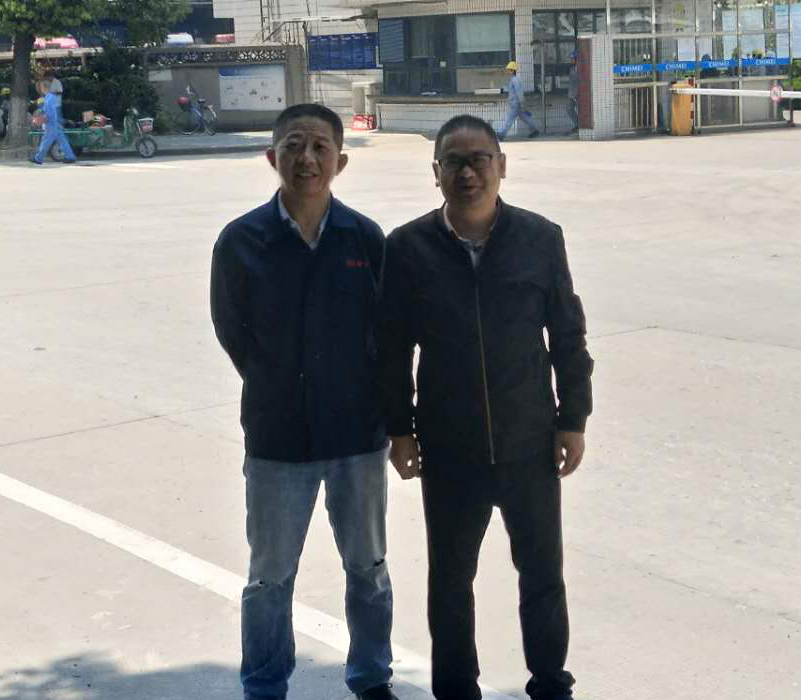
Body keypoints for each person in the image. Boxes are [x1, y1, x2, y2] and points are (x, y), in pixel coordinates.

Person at [378, 114, 594, 700]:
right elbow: (392, 348)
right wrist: (400, 428)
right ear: (436, 172)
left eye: (479, 159)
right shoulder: (407, 248)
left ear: (502, 165)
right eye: (454, 161)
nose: (468, 172)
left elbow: (567, 335)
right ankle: (455, 689)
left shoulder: (539, 238)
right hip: (450, 449)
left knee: (542, 577)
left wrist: (573, 418)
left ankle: (550, 684)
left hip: (530, 443)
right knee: (451, 582)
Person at [210, 103, 399, 700]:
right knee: (269, 577)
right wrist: (278, 385)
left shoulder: (365, 239)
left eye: (320, 147)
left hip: (356, 438)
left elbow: (387, 335)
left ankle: (371, 677)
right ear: (273, 157)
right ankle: (265, 685)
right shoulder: (241, 241)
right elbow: (234, 331)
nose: (307, 158)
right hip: (277, 439)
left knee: (368, 567)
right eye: (294, 146)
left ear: (341, 161)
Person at [29, 79, 75, 164]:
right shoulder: (51, 97)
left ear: (44, 87)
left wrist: (45, 118)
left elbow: (50, 112)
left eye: (41, 87)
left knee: (46, 141)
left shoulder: (48, 98)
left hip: (51, 123)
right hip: (54, 123)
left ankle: (38, 158)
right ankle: (70, 156)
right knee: (62, 140)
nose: (40, 89)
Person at [499, 60, 539, 140]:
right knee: (525, 118)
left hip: (516, 104)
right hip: (517, 103)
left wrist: (521, 103)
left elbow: (519, 92)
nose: (507, 71)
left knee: (510, 119)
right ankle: (535, 130)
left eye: (509, 70)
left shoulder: (515, 80)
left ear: (512, 70)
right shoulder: (514, 79)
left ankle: (502, 134)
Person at [567, 49, 580, 134]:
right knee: (569, 109)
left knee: (581, 110)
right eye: (571, 59)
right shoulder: (572, 69)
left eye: (573, 58)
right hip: (571, 94)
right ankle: (577, 124)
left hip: (578, 94)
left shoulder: (581, 69)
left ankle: (580, 125)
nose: (571, 60)